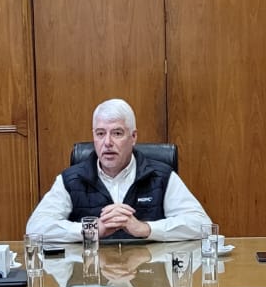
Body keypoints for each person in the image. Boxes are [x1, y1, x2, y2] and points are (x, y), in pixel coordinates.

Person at [26, 98, 211, 242]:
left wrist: (145, 228)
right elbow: (35, 229)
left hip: (148, 280)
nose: (107, 143)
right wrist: (92, 229)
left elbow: (202, 225)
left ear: (133, 137)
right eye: (100, 133)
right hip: (89, 284)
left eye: (117, 133)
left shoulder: (161, 176)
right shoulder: (71, 179)